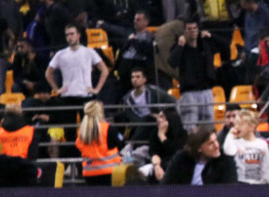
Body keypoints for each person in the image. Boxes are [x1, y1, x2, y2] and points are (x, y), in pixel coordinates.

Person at [45, 24, 110, 157]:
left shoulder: (89, 52)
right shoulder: (61, 54)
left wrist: (97, 89)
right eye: (67, 35)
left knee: (89, 129)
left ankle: (89, 156)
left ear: (78, 35)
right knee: (69, 132)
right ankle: (72, 161)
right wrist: (57, 89)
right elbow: (48, 73)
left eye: (72, 34)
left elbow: (104, 70)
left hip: (85, 96)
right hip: (67, 97)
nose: (70, 37)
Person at [169, 18, 223, 131]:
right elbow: (172, 62)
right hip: (189, 93)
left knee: (209, 126)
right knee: (190, 126)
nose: (192, 31)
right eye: (189, 29)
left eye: (194, 28)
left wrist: (211, 36)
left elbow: (225, 48)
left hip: (206, 90)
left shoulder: (205, 45)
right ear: (184, 31)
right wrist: (180, 45)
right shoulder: (180, 47)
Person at [163, 125, 238, 184]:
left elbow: (229, 191)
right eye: (211, 143)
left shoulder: (225, 161)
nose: (216, 146)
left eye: (216, 140)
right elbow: (167, 186)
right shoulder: (181, 158)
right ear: (199, 148)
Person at [118, 67, 176, 141]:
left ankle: (132, 144)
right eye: (133, 77)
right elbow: (133, 118)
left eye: (138, 77)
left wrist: (162, 113)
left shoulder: (153, 91)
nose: (134, 80)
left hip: (157, 122)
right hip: (140, 126)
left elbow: (172, 101)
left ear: (144, 79)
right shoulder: (127, 99)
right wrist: (149, 117)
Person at [75, 100, 125, 186]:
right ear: (100, 112)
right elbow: (121, 143)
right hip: (109, 172)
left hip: (89, 173)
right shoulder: (108, 128)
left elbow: (78, 146)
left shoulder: (82, 131)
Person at [222, 109, 269, 184]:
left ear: (251, 126)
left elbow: (267, 166)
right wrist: (230, 135)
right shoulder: (236, 143)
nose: (236, 127)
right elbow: (228, 151)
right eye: (235, 124)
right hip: (241, 183)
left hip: (259, 184)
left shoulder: (262, 144)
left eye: (240, 124)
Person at [144, 107, 186, 182]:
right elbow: (153, 152)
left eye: (161, 117)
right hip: (159, 163)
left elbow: (177, 152)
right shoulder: (155, 132)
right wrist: (156, 166)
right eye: (158, 117)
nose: (158, 119)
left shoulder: (182, 134)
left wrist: (162, 137)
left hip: (176, 165)